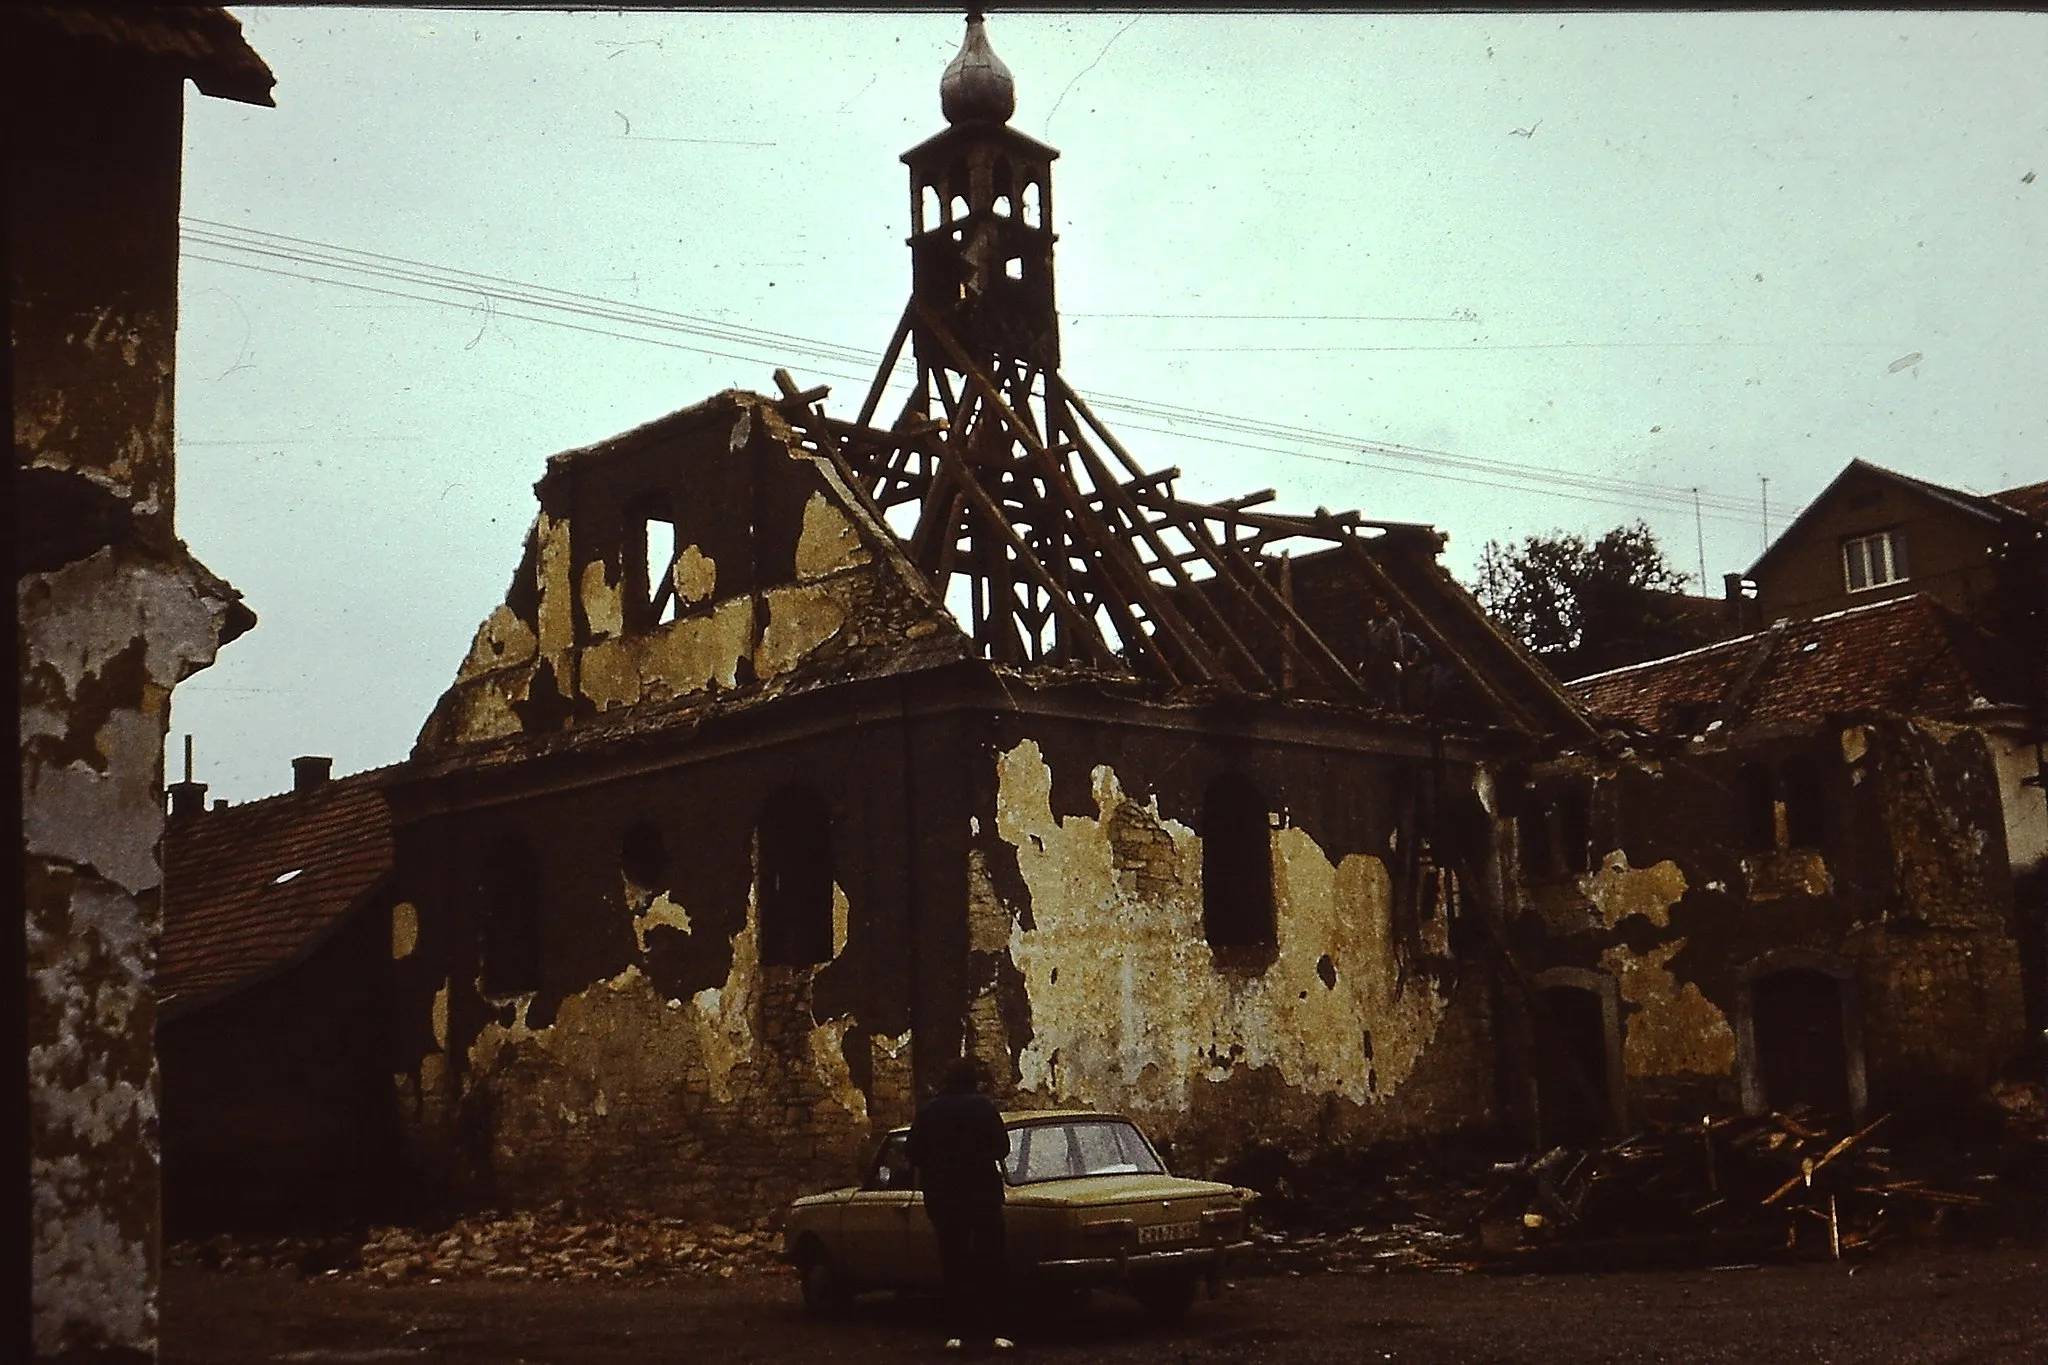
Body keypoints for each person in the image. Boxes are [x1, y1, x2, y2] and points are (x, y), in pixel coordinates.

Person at [906, 1056, 1013, 1353]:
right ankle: (998, 1330)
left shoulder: (929, 1112)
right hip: (982, 1195)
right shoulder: (983, 1108)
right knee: (992, 1261)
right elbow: (1002, 1147)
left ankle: (957, 1331)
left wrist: (937, 1162)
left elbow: (912, 1152)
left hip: (944, 1197)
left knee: (953, 1263)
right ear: (972, 1080)